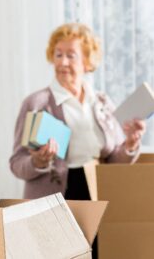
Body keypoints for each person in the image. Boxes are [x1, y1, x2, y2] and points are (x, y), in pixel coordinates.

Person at [10, 22, 146, 200]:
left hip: (98, 193)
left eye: (70, 56)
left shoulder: (101, 102)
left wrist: (130, 144)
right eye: (58, 55)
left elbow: (114, 160)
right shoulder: (36, 103)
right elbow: (17, 163)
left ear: (87, 62)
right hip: (54, 201)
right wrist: (38, 161)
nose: (62, 62)